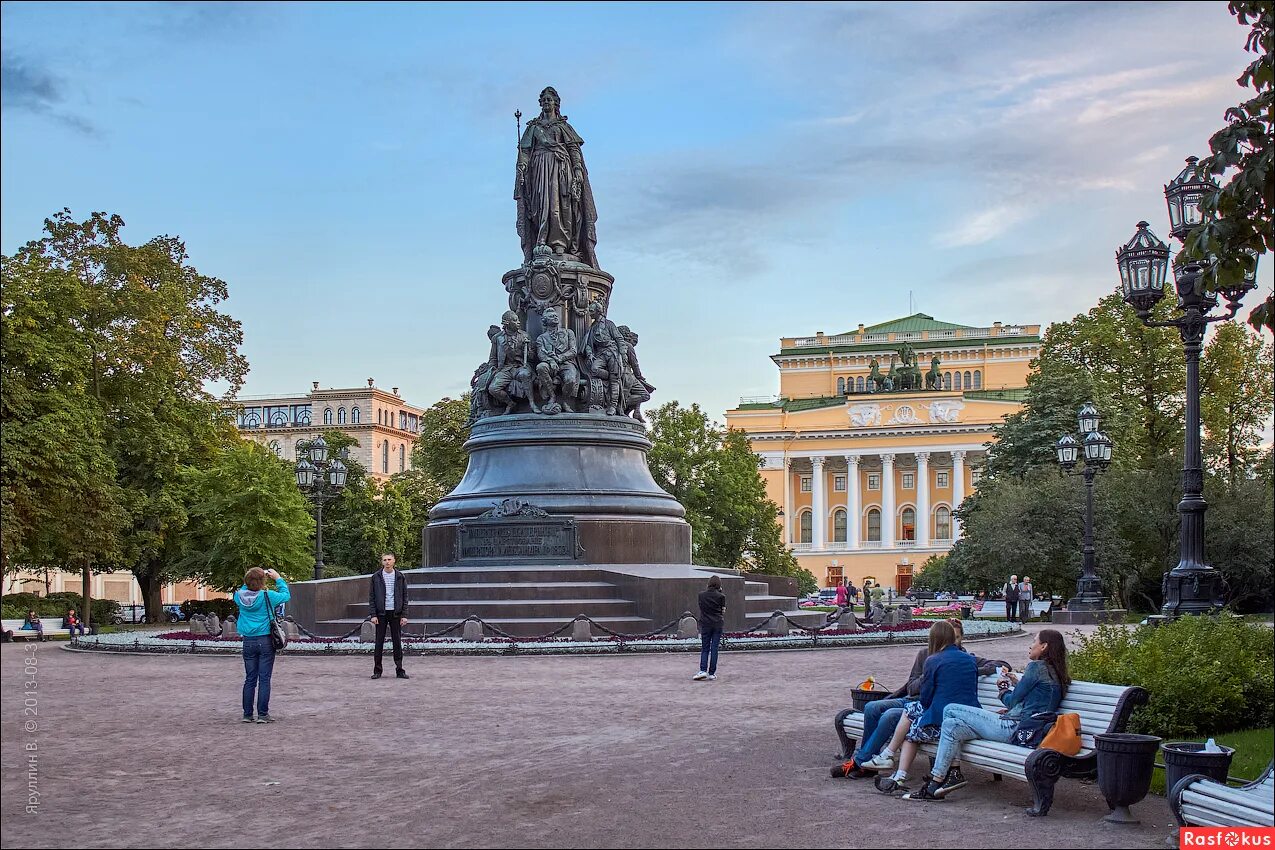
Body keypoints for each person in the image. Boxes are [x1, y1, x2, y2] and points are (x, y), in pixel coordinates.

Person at [903, 629, 1071, 802]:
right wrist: (1018, 683)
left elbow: (1012, 701)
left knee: (951, 709)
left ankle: (950, 774)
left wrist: (1003, 688)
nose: (1031, 645)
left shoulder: (1036, 667)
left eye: (1034, 641)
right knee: (951, 725)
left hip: (1012, 728)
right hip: (1027, 730)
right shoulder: (1054, 671)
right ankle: (936, 784)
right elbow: (1039, 699)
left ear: (1044, 646)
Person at [861, 621, 980, 795]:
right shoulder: (970, 660)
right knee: (912, 728)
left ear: (934, 638)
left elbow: (925, 699)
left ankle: (888, 756)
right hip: (969, 716)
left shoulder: (933, 660)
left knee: (911, 715)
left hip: (947, 722)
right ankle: (897, 775)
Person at [234, 567, 290, 723]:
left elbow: (245, 587)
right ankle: (263, 714)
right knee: (264, 678)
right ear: (263, 582)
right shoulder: (268, 596)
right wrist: (278, 578)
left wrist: (251, 578)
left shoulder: (238, 597)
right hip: (265, 640)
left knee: (250, 678)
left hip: (248, 641)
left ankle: (247, 714)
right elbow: (286, 595)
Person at [369, 553, 410, 680]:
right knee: (379, 642)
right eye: (385, 560)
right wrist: (373, 614)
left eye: (389, 559)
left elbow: (405, 596)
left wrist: (404, 614)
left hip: (395, 613)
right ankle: (377, 670)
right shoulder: (376, 577)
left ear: (394, 561)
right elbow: (372, 597)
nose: (387, 562)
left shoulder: (400, 576)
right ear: (382, 562)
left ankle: (400, 670)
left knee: (397, 642)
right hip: (381, 613)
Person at [693, 575, 726, 681]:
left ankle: (702, 670)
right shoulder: (721, 596)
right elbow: (723, 611)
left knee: (705, 648)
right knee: (714, 648)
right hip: (717, 624)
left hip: (706, 623)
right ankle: (712, 673)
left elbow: (701, 608)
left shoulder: (701, 595)